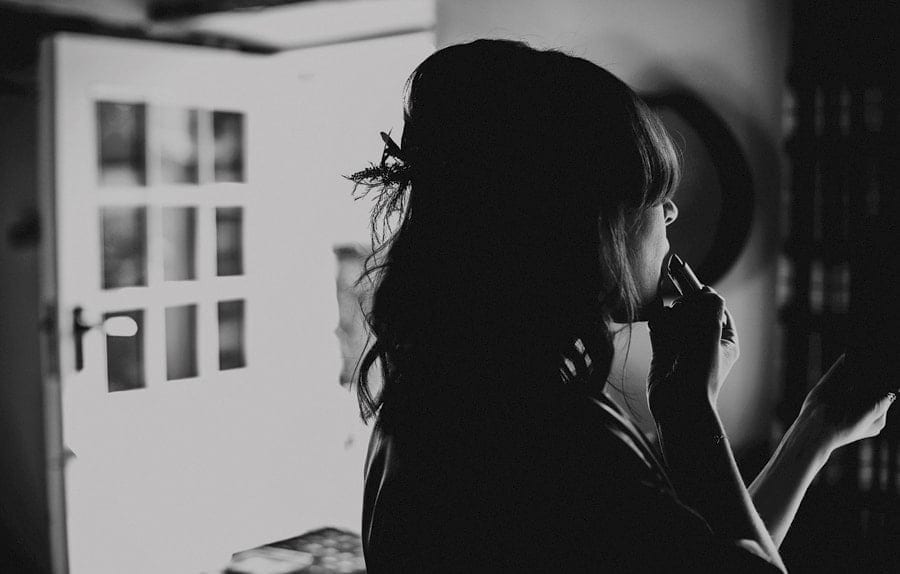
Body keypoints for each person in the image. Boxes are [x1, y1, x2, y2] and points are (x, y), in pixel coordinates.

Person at [346, 39, 895, 572]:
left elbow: (710, 554)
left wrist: (813, 433)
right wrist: (690, 416)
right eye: (655, 195)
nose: (672, 215)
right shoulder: (551, 440)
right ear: (581, 224)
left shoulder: (446, 404)